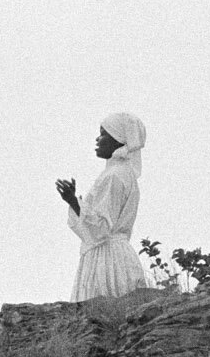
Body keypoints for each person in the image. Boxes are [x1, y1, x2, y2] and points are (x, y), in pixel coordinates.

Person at [56, 113, 151, 300]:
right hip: (117, 256)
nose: (98, 139)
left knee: (100, 312)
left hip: (107, 259)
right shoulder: (124, 173)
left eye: (103, 134)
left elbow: (100, 229)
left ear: (119, 140)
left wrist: (73, 201)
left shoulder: (114, 176)